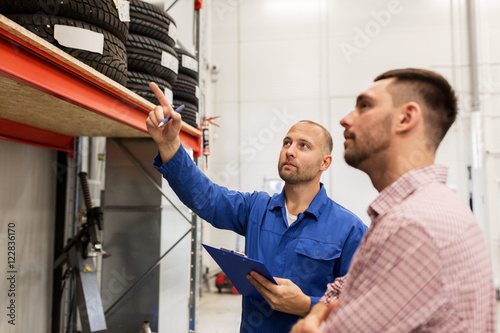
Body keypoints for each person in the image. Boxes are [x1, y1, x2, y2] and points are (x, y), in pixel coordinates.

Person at [146, 82, 368, 332]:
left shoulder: (349, 229)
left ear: (324, 163)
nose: (290, 151)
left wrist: (307, 305)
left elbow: (363, 304)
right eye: (287, 142)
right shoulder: (257, 208)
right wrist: (169, 144)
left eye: (303, 145)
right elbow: (206, 197)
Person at [291, 68, 497, 333]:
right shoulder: (417, 210)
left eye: (364, 106)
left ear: (406, 118)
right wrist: (319, 309)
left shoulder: (414, 226)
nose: (345, 120)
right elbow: (348, 285)